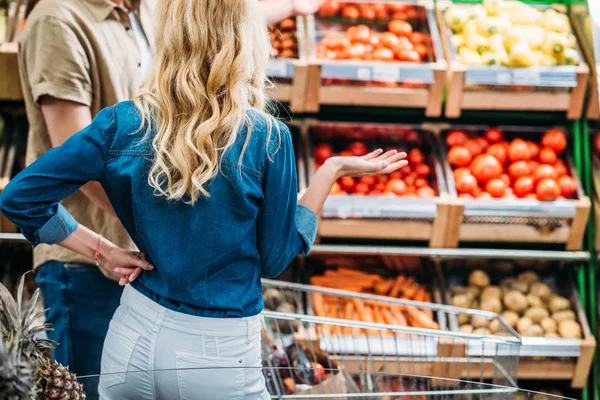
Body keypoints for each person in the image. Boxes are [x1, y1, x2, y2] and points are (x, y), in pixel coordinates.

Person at [1, 0, 408, 398]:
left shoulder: (121, 122)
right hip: (218, 354)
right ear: (247, 41)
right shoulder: (266, 139)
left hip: (132, 333)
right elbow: (275, 257)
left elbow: (21, 197)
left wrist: (100, 249)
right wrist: (329, 172)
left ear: (167, 37)